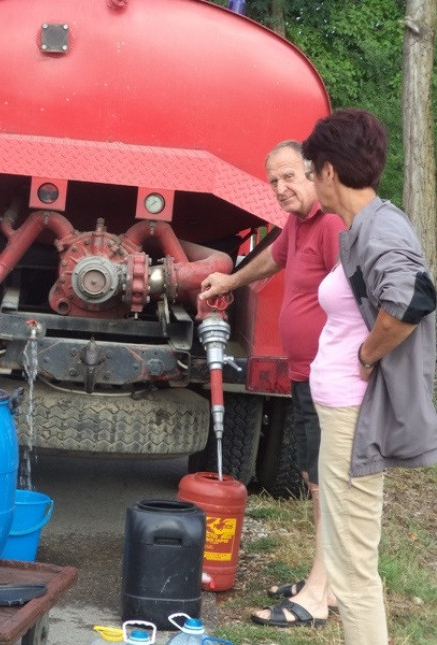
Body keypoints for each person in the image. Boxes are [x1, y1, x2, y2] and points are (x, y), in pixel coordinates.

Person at [303, 108, 437, 644]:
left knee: (352, 567)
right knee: (348, 558)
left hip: (353, 418)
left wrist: (365, 355)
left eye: (312, 171)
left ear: (330, 172)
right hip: (341, 412)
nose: (312, 182)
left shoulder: (381, 226)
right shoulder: (366, 226)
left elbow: (412, 296)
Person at [201, 140, 345, 627]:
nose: (281, 189)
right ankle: (326, 579)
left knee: (329, 485)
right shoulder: (301, 225)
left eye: (289, 178)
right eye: (273, 182)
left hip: (331, 380)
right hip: (306, 376)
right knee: (314, 480)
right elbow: (273, 260)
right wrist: (230, 281)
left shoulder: (331, 225)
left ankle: (320, 594)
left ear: (315, 174)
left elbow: (355, 295)